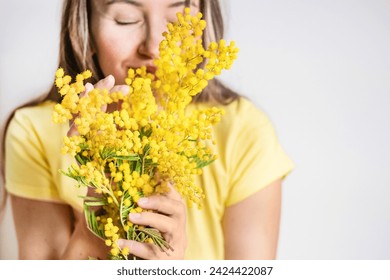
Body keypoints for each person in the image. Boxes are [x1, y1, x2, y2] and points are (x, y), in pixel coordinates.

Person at [1, 0, 294, 260]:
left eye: (178, 16)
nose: (154, 45)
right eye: (126, 18)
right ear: (85, 29)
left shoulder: (242, 130)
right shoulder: (35, 132)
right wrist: (96, 229)